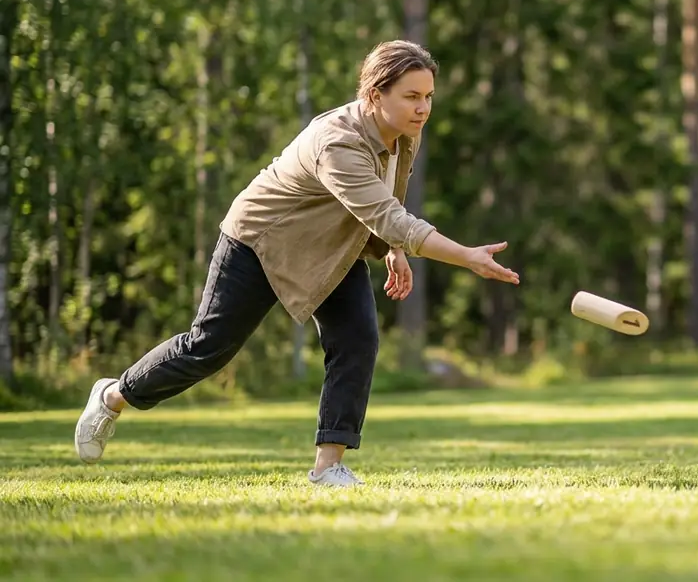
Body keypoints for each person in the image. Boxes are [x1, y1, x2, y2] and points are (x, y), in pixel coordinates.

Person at [73, 40, 520, 487]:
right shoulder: (338, 143)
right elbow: (389, 215)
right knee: (208, 348)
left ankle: (329, 468)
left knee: (357, 338)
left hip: (329, 245)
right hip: (260, 241)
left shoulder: (404, 130)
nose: (423, 108)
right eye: (411, 96)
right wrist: (466, 256)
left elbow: (388, 197)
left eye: (428, 96)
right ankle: (114, 395)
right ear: (375, 95)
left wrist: (393, 248)